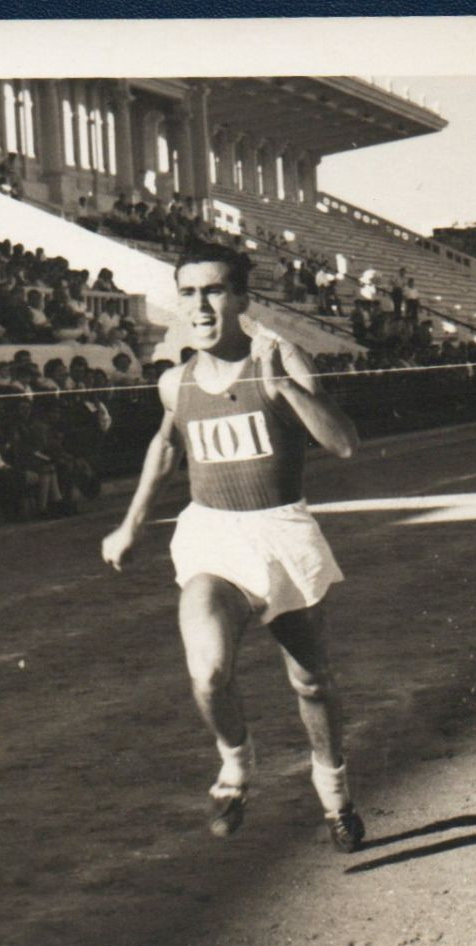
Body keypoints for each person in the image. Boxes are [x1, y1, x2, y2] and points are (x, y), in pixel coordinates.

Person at [100, 242, 366, 847]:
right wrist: (132, 525)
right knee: (209, 670)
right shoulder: (175, 381)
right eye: (189, 292)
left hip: (281, 532)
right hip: (212, 535)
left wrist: (285, 388)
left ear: (242, 299)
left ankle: (335, 797)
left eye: (215, 290)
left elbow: (345, 443)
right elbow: (167, 447)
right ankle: (236, 765)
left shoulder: (281, 356)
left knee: (312, 682)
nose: (201, 304)